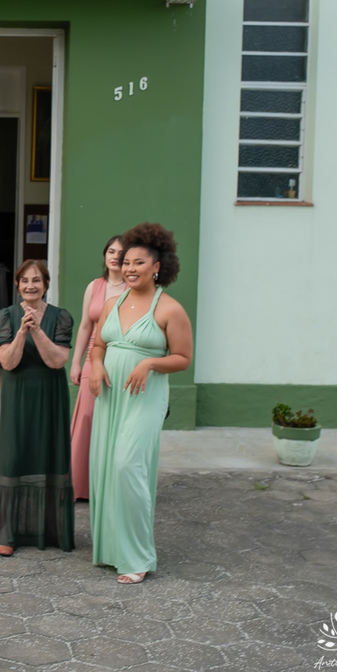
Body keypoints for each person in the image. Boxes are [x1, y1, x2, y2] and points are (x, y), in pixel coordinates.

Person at [88, 222, 193, 584]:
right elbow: (99, 344)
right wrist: (96, 366)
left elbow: (182, 358)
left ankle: (137, 556)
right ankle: (112, 551)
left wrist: (149, 362)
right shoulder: (112, 303)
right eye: (126, 262)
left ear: (157, 267)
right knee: (104, 467)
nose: (129, 268)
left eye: (138, 263)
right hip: (110, 394)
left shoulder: (170, 310)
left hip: (145, 398)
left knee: (127, 466)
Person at [0, 260, 75, 557]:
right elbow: (7, 362)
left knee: (48, 456)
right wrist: (22, 333)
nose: (30, 285)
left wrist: (38, 331)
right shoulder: (6, 316)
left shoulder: (61, 317)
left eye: (36, 280)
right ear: (17, 285)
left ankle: (51, 530)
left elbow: (57, 361)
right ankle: (7, 533)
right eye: (24, 280)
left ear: (46, 285)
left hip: (50, 395)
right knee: (15, 457)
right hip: (18, 393)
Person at [69, 235, 127, 501]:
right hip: (93, 358)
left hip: (121, 359)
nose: (115, 256)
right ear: (105, 255)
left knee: (114, 422)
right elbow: (85, 326)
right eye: (111, 251)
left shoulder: (133, 288)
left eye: (121, 252)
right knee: (86, 419)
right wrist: (76, 362)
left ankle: (108, 485)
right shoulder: (95, 286)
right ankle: (79, 486)